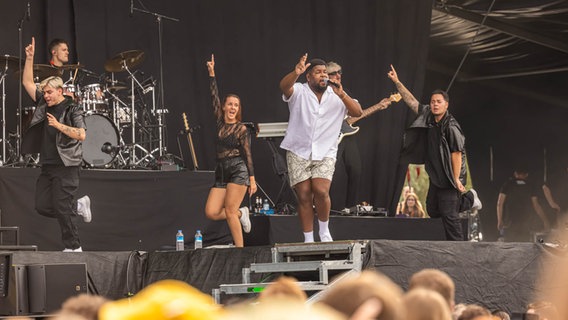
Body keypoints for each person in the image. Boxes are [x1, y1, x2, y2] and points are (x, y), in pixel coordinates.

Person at [387, 64, 481, 241]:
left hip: (450, 177)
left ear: (446, 105)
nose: (435, 104)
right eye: (433, 102)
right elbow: (412, 102)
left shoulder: (452, 127)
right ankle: (468, 199)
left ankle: (459, 250)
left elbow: (456, 154)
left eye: (439, 102)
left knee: (449, 216)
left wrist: (455, 180)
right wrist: (397, 82)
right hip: (436, 176)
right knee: (432, 209)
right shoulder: (429, 116)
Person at [279, 54, 362, 242]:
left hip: (325, 151)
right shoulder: (299, 91)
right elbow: (284, 87)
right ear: (309, 77)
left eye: (325, 72)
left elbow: (357, 112)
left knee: (321, 191)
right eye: (318, 72)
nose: (323, 75)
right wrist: (295, 72)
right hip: (297, 150)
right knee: (304, 196)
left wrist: (342, 94)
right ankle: (308, 238)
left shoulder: (337, 95)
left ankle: (324, 231)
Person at [21, 37, 91, 252]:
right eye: (45, 93)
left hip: (67, 165)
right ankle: (78, 206)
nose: (46, 96)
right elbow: (27, 83)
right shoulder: (44, 103)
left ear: (60, 91)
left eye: (50, 93)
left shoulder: (73, 109)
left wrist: (59, 126)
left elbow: (81, 134)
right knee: (42, 206)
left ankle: (74, 248)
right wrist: (30, 58)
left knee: (62, 206)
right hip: (48, 164)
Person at [204, 54, 256, 248]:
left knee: (229, 211)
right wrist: (211, 73)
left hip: (237, 170)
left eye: (236, 105)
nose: (233, 107)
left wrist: (251, 179)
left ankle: (239, 251)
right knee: (211, 211)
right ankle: (243, 213)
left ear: (238, 108)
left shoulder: (241, 129)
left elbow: (248, 154)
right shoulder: (219, 121)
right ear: (224, 107)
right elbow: (213, 96)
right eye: (230, 104)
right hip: (221, 171)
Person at [327, 61, 392, 210]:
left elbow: (355, 114)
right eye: (333, 73)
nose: (338, 75)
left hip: (346, 135)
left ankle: (350, 206)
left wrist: (379, 106)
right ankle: (322, 206)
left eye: (340, 72)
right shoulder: (321, 93)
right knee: (329, 172)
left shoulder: (344, 92)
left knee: (355, 169)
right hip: (328, 138)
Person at [497, 167, 550, 242]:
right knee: (524, 247)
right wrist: (545, 220)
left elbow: (499, 203)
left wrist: (500, 220)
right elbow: (536, 205)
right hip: (526, 223)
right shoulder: (530, 185)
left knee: (509, 248)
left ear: (515, 174)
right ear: (526, 174)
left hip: (509, 222)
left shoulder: (508, 184)